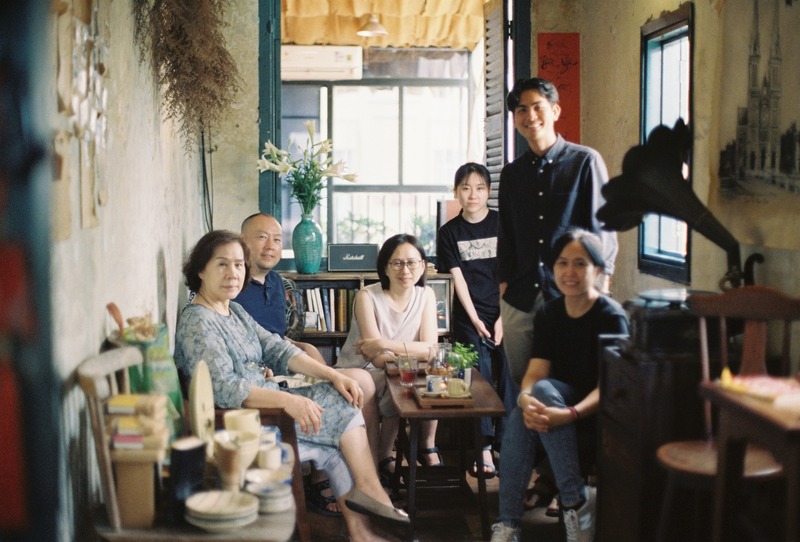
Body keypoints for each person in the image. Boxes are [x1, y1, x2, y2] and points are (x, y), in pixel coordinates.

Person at [174, 230, 408, 542]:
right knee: (341, 416)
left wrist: (332, 375)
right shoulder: (198, 322)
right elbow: (225, 388)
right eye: (222, 265)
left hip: (266, 407)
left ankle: (362, 530)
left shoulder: (234, 311)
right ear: (200, 269)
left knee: (340, 411)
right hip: (243, 422)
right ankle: (374, 496)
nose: (233, 273)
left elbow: (280, 349)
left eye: (240, 265)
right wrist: (286, 402)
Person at [490, 229, 629, 542]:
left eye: (580, 263)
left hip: (597, 414)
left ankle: (523, 518)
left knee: (533, 402)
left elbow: (612, 386)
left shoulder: (612, 316)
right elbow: (536, 371)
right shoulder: (550, 313)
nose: (570, 272)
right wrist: (525, 398)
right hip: (555, 407)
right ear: (552, 269)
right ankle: (569, 505)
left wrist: (572, 414)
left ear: (597, 269)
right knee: (526, 406)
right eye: (562, 263)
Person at [236, 212, 379, 516]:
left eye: (277, 239)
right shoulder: (233, 284)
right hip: (264, 379)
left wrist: (304, 348)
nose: (271, 246)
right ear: (242, 243)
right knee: (356, 388)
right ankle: (345, 481)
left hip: (284, 364)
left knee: (361, 384)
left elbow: (276, 336)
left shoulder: (276, 283)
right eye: (262, 237)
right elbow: (245, 342)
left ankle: (362, 476)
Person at [497, 77, 618, 389]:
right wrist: (503, 286)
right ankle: (528, 438)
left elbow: (601, 229)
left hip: (571, 293)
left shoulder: (584, 162)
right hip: (520, 296)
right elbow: (506, 234)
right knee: (523, 384)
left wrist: (600, 285)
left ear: (555, 111)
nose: (530, 116)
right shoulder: (512, 174)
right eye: (522, 110)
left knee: (570, 382)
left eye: (537, 107)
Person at [336, 234, 440, 485]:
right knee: (392, 381)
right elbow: (376, 358)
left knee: (424, 379)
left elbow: (432, 350)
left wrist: (384, 343)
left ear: (423, 265)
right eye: (397, 263)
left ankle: (408, 451)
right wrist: (410, 351)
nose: (406, 270)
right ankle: (374, 464)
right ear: (385, 267)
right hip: (361, 370)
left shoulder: (425, 295)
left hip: (401, 369)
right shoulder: (366, 296)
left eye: (412, 263)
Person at [436, 162, 512, 477]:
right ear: (456, 192)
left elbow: (510, 273)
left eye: (480, 188)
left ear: (489, 192)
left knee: (511, 373)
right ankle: (483, 449)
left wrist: (502, 319)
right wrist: (477, 320)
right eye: (466, 188)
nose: (473, 194)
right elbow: (458, 281)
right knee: (475, 374)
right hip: (469, 315)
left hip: (505, 311)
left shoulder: (503, 224)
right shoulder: (449, 232)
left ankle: (508, 445)